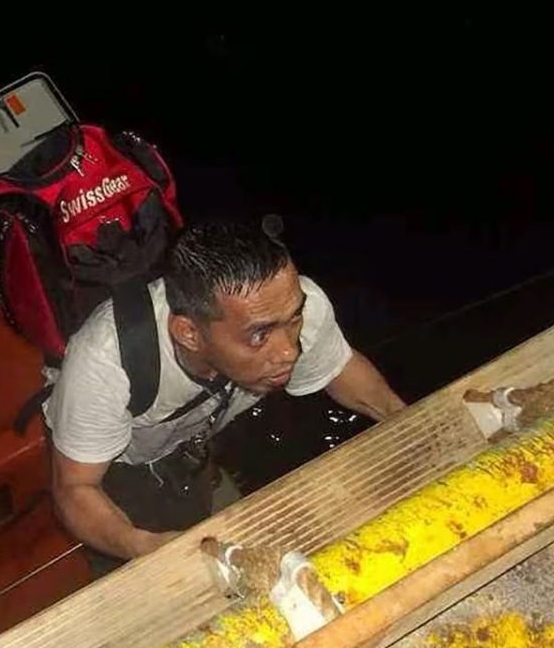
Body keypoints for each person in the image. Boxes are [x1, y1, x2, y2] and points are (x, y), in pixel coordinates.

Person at [42, 219, 407, 576]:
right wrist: (141, 546)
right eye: (259, 336)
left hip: (190, 429)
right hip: (116, 461)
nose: (288, 352)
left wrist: (408, 421)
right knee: (146, 567)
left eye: (293, 320)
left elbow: (342, 370)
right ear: (189, 333)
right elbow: (75, 487)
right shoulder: (105, 363)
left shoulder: (286, 307)